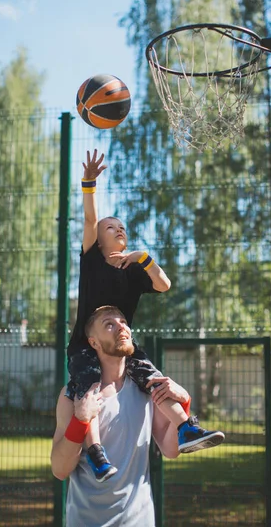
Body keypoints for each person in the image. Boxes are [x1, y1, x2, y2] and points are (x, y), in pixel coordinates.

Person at [66, 150, 224, 481]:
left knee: (155, 380)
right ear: (98, 238)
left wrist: (144, 257)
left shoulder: (135, 270)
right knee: (89, 386)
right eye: (111, 227)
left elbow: (164, 284)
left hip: (123, 344)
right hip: (87, 344)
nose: (118, 228)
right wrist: (89, 184)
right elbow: (89, 219)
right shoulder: (92, 263)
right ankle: (95, 453)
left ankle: (186, 429)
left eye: (122, 226)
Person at [52, 305, 189, 527]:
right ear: (93, 342)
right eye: (109, 324)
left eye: (123, 322)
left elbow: (171, 449)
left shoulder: (147, 389)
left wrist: (184, 402)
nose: (121, 327)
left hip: (139, 520)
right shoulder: (73, 395)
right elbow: (59, 470)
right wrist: (81, 421)